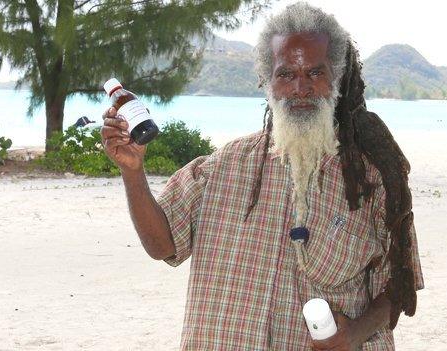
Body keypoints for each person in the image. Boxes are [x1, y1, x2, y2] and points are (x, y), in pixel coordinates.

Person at [101, 3, 424, 349]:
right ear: (267, 81)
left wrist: (354, 334)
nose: (300, 88)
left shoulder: (372, 180)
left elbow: (399, 287)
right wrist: (133, 172)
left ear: (338, 77)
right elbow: (162, 245)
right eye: (286, 74)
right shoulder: (222, 168)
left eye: (315, 73)